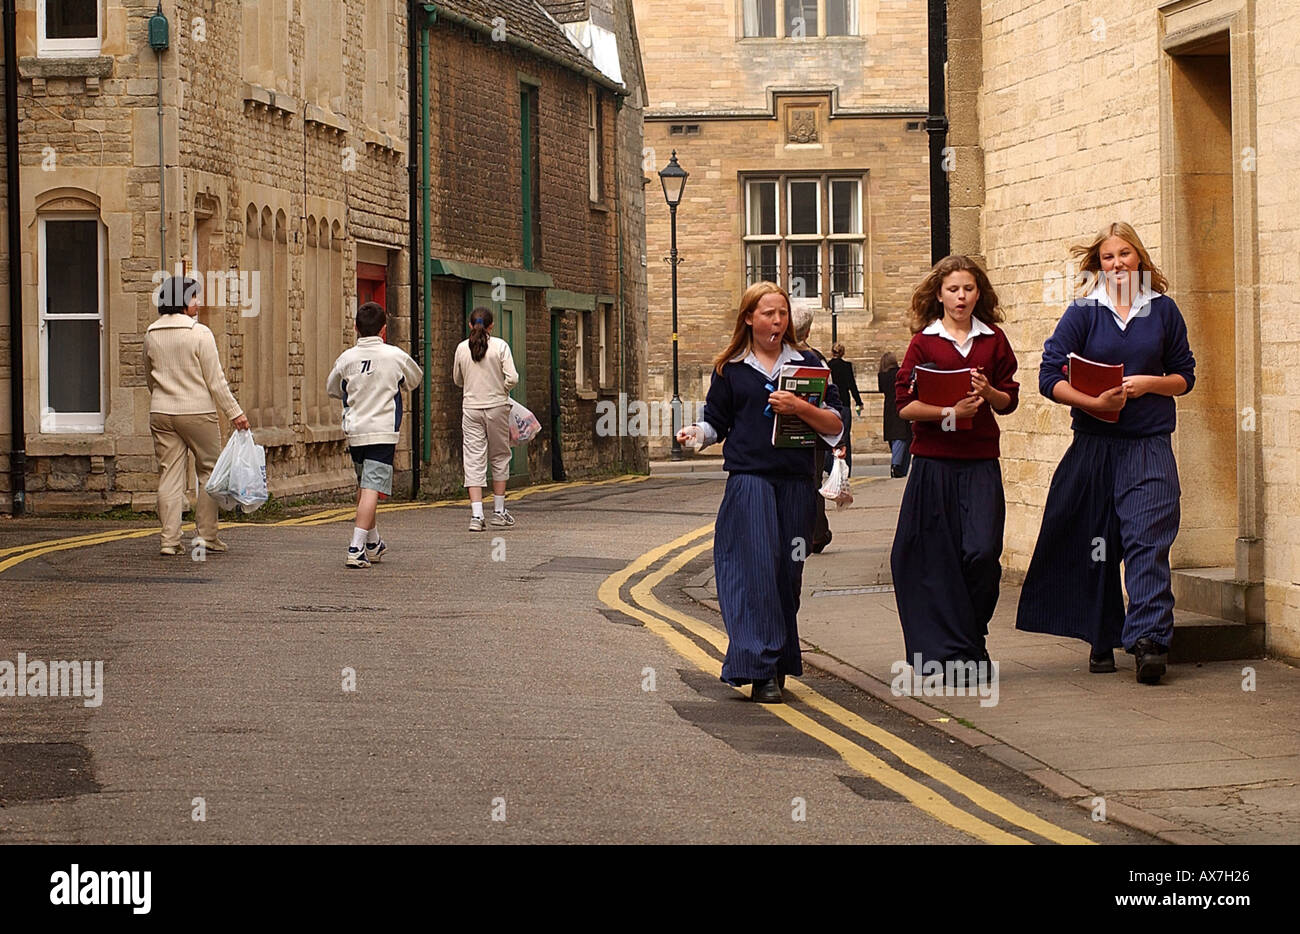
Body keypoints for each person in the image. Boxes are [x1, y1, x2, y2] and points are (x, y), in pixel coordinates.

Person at [1016, 223, 1196, 685]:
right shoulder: (1083, 313)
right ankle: (1101, 636)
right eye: (1108, 257)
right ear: (1098, 265)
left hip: (1148, 445)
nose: (1117, 264)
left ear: (1140, 259)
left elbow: (1184, 376)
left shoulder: (1163, 311)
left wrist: (1148, 385)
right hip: (1094, 445)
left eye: (1125, 254)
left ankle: (1150, 642)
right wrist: (1091, 401)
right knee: (1098, 544)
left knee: (1148, 539)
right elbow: (1048, 375)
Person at [676, 281, 846, 704]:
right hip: (749, 480)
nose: (776, 320)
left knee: (786, 575)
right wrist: (695, 433)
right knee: (754, 572)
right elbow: (717, 421)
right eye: (768, 313)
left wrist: (800, 408)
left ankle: (779, 657)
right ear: (749, 318)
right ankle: (759, 666)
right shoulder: (731, 369)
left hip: (795, 482)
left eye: (782, 314)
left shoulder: (809, 365)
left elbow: (836, 425)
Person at [890, 255, 1019, 683]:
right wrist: (949, 409)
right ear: (939, 295)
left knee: (982, 553)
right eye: (952, 289)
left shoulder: (993, 340)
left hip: (980, 462)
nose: (960, 296)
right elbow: (905, 407)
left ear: (978, 292)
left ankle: (971, 635)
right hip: (933, 464)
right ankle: (952, 654)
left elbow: (1009, 402)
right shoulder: (923, 343)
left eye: (967, 288)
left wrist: (989, 391)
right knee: (934, 560)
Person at [144, 276, 250, 556]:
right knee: (209, 471)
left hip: (161, 411)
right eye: (194, 297)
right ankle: (206, 536)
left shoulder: (152, 333)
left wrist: (163, 396)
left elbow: (149, 377)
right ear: (181, 301)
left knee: (169, 475)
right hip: (197, 411)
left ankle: (169, 541)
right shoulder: (199, 333)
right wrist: (235, 413)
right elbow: (216, 381)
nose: (198, 303)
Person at [326, 302, 423, 568]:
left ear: (356, 327)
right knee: (371, 488)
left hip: (355, 430)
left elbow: (332, 388)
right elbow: (414, 379)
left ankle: (373, 542)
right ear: (383, 330)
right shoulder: (395, 356)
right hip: (382, 430)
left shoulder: (346, 358)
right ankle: (356, 548)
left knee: (365, 486)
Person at [453, 307, 519, 532]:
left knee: (473, 458)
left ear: (471, 325)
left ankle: (476, 515)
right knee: (500, 455)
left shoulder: (462, 348)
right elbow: (513, 377)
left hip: (471, 408)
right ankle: (499, 512)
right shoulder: (500, 346)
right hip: (497, 407)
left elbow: (457, 379)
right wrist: (501, 388)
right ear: (491, 326)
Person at [878, 352, 912, 478]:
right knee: (903, 437)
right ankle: (897, 466)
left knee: (894, 438)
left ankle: (897, 464)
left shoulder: (882, 375)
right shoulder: (900, 373)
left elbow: (882, 389)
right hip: (900, 405)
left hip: (888, 408)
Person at [828, 343, 864, 418]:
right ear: (843, 353)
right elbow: (852, 385)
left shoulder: (828, 366)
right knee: (846, 427)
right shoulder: (847, 366)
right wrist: (858, 402)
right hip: (844, 401)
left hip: (831, 403)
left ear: (832, 352)